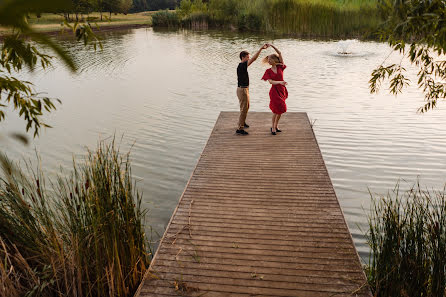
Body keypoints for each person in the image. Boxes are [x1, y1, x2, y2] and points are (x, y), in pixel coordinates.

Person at [236, 44, 269, 135]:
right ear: (243, 57)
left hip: (243, 89)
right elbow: (254, 59)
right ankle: (240, 128)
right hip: (242, 90)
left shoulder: (242, 65)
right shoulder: (242, 65)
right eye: (247, 57)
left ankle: (242, 122)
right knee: (244, 109)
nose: (249, 59)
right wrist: (261, 49)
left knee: (245, 107)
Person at [261, 44, 288, 135]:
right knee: (276, 110)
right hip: (274, 91)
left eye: (270, 60)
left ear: (274, 60)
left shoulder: (281, 67)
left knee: (281, 109)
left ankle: (276, 125)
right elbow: (271, 82)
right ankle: (273, 127)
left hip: (282, 90)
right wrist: (280, 82)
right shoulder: (268, 71)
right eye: (268, 60)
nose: (268, 61)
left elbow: (279, 53)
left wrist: (272, 45)